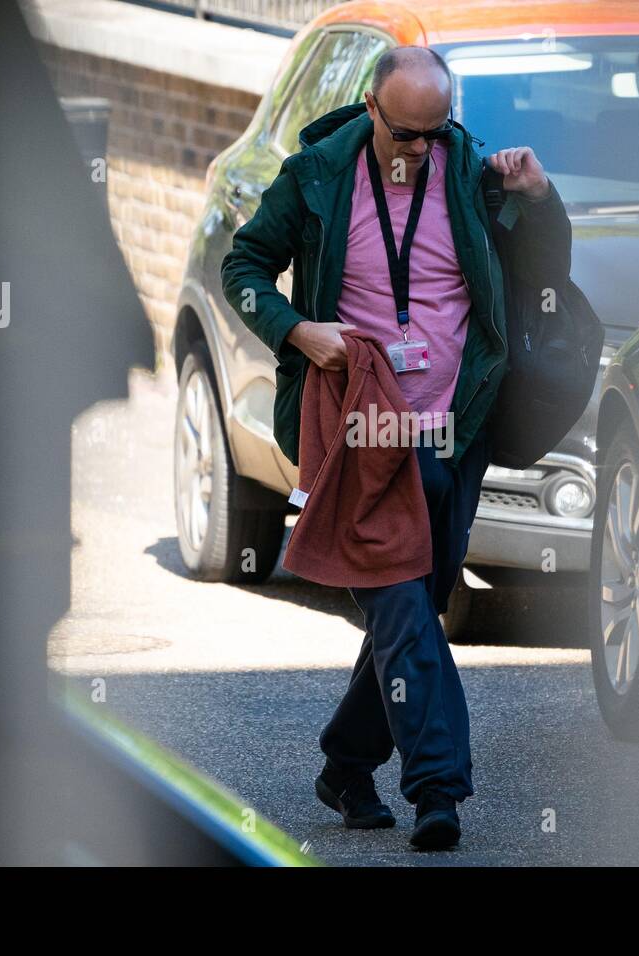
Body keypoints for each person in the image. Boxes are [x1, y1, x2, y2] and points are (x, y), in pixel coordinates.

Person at [221, 45, 570, 850]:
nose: (420, 148)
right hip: (358, 431)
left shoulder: (473, 172)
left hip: (456, 426)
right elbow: (243, 266)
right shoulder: (314, 177)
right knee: (407, 610)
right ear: (371, 109)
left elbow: (546, 274)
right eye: (406, 132)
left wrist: (540, 198)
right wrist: (297, 330)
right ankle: (437, 789)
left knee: (418, 600)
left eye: (434, 130)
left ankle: (347, 762)